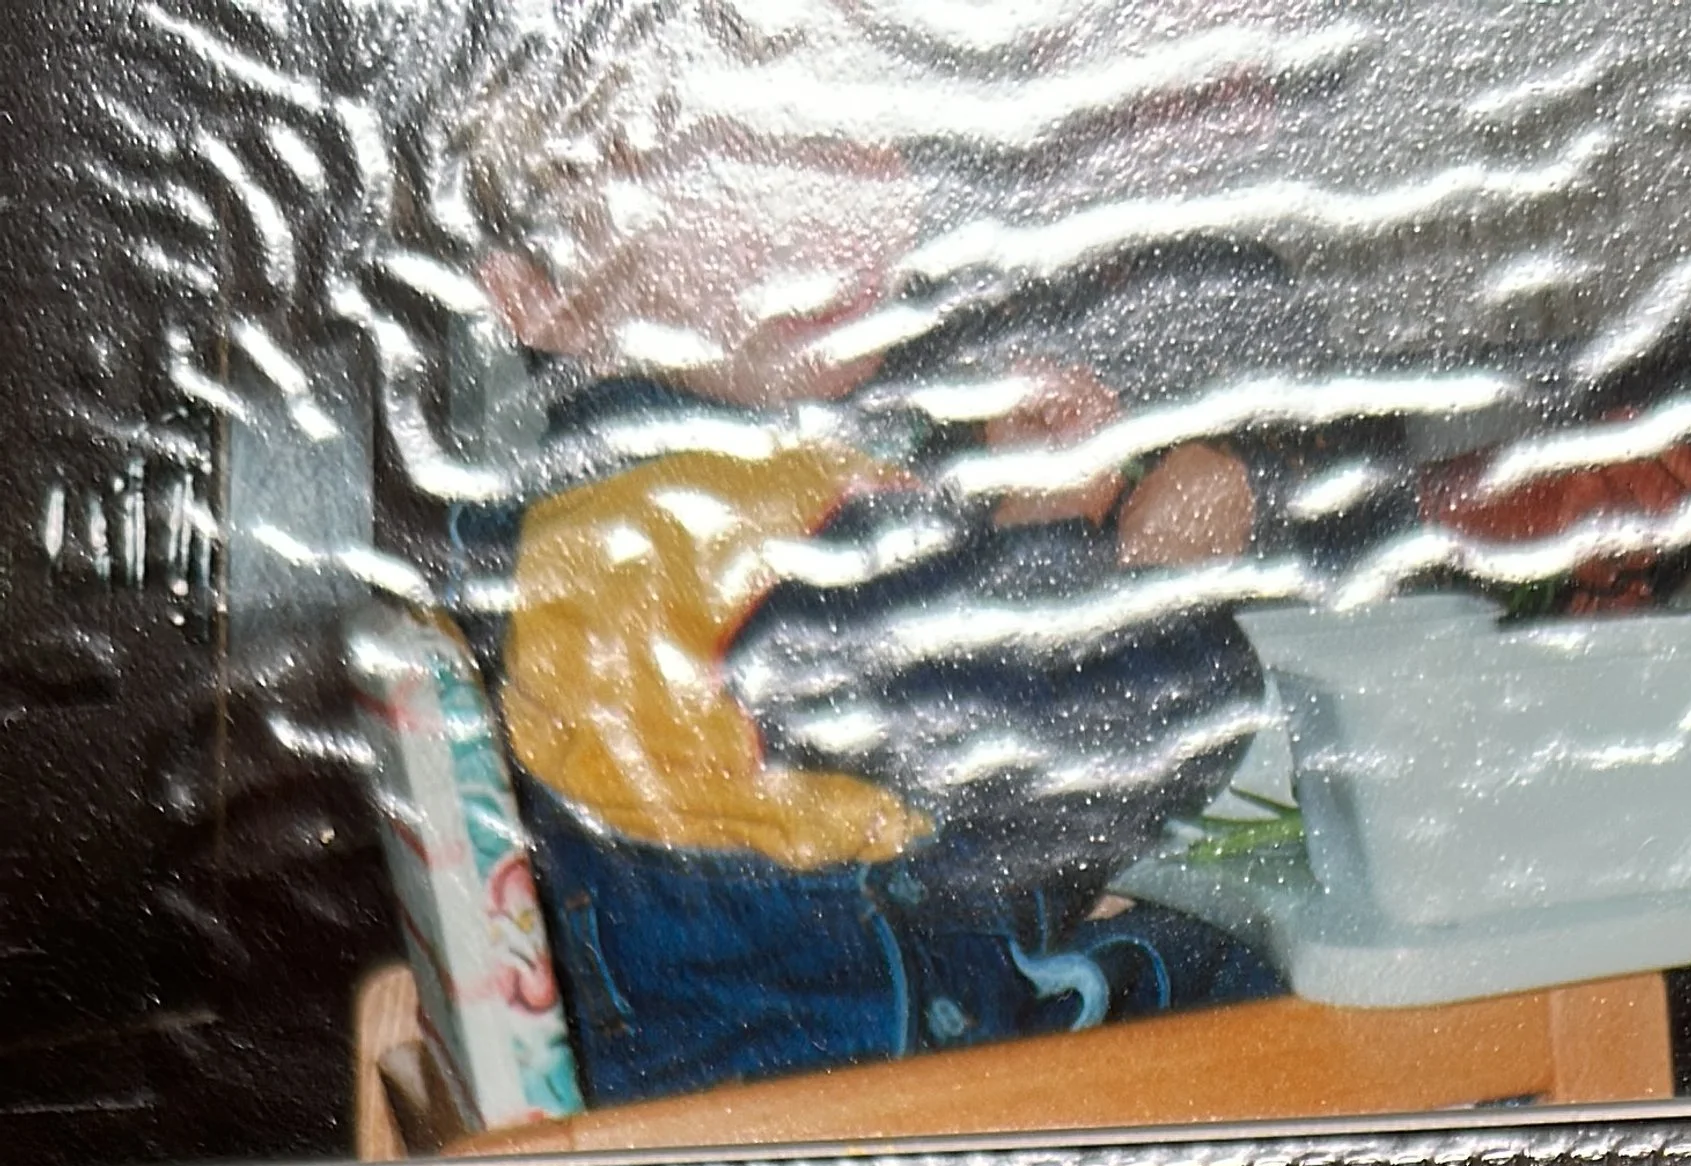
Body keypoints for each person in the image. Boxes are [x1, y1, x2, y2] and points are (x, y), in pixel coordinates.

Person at [383, 1, 1293, 1098]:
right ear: (539, 295)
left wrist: (1029, 531)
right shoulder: (684, 540)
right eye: (744, 166)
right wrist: (1144, 574)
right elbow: (1099, 749)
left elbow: (920, 731)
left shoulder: (618, 513)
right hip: (838, 1130)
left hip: (794, 1060)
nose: (854, 205)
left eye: (858, 137)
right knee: (1313, 998)